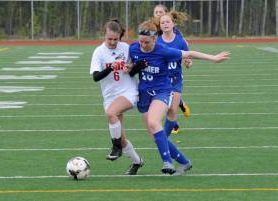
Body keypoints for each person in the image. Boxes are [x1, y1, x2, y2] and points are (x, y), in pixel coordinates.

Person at [127, 20, 229, 174]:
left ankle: (167, 162)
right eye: (140, 41)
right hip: (144, 94)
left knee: (154, 122)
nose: (142, 45)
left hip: (163, 91)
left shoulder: (163, 51)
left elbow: (190, 54)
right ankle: (184, 162)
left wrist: (213, 58)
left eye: (146, 42)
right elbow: (128, 68)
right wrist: (131, 67)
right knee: (156, 136)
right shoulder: (134, 48)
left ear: (155, 39)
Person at [90, 19, 144, 175]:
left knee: (111, 113)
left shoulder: (126, 48)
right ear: (104, 36)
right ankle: (137, 162)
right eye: (109, 39)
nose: (113, 42)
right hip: (110, 97)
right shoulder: (99, 52)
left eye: (116, 39)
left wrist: (131, 67)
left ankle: (116, 148)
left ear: (120, 37)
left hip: (128, 92)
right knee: (121, 137)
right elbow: (96, 77)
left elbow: (137, 68)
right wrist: (110, 67)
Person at [153, 4, 191, 135]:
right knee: (165, 110)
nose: (158, 15)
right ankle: (170, 126)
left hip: (175, 79)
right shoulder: (155, 37)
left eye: (161, 12)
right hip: (161, 79)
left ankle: (165, 137)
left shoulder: (178, 38)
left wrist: (187, 61)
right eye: (156, 13)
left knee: (172, 110)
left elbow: (187, 52)